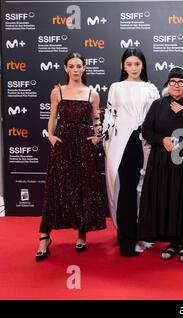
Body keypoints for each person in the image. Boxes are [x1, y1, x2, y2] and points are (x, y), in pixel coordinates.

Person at [36, 52, 106, 262]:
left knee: (83, 187)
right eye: (72, 66)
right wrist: (51, 137)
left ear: (84, 68)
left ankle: (82, 233)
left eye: (79, 66)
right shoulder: (57, 92)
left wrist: (98, 137)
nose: (76, 69)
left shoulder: (92, 93)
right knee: (55, 187)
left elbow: (96, 119)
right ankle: (44, 236)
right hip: (63, 142)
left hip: (84, 145)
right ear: (65, 69)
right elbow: (52, 117)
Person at [137, 66, 183, 263]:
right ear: (168, 84)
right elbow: (146, 130)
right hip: (162, 162)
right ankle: (172, 242)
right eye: (173, 82)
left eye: (180, 82)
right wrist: (162, 140)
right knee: (166, 200)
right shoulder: (158, 105)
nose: (176, 85)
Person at [103, 48, 160, 257]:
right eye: (129, 64)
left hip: (146, 143)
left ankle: (142, 233)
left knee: (143, 191)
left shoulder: (151, 89)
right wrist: (107, 143)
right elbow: (110, 117)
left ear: (143, 65)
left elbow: (155, 117)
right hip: (122, 144)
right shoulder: (116, 88)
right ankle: (126, 241)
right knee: (126, 191)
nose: (133, 68)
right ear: (122, 66)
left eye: (137, 64)